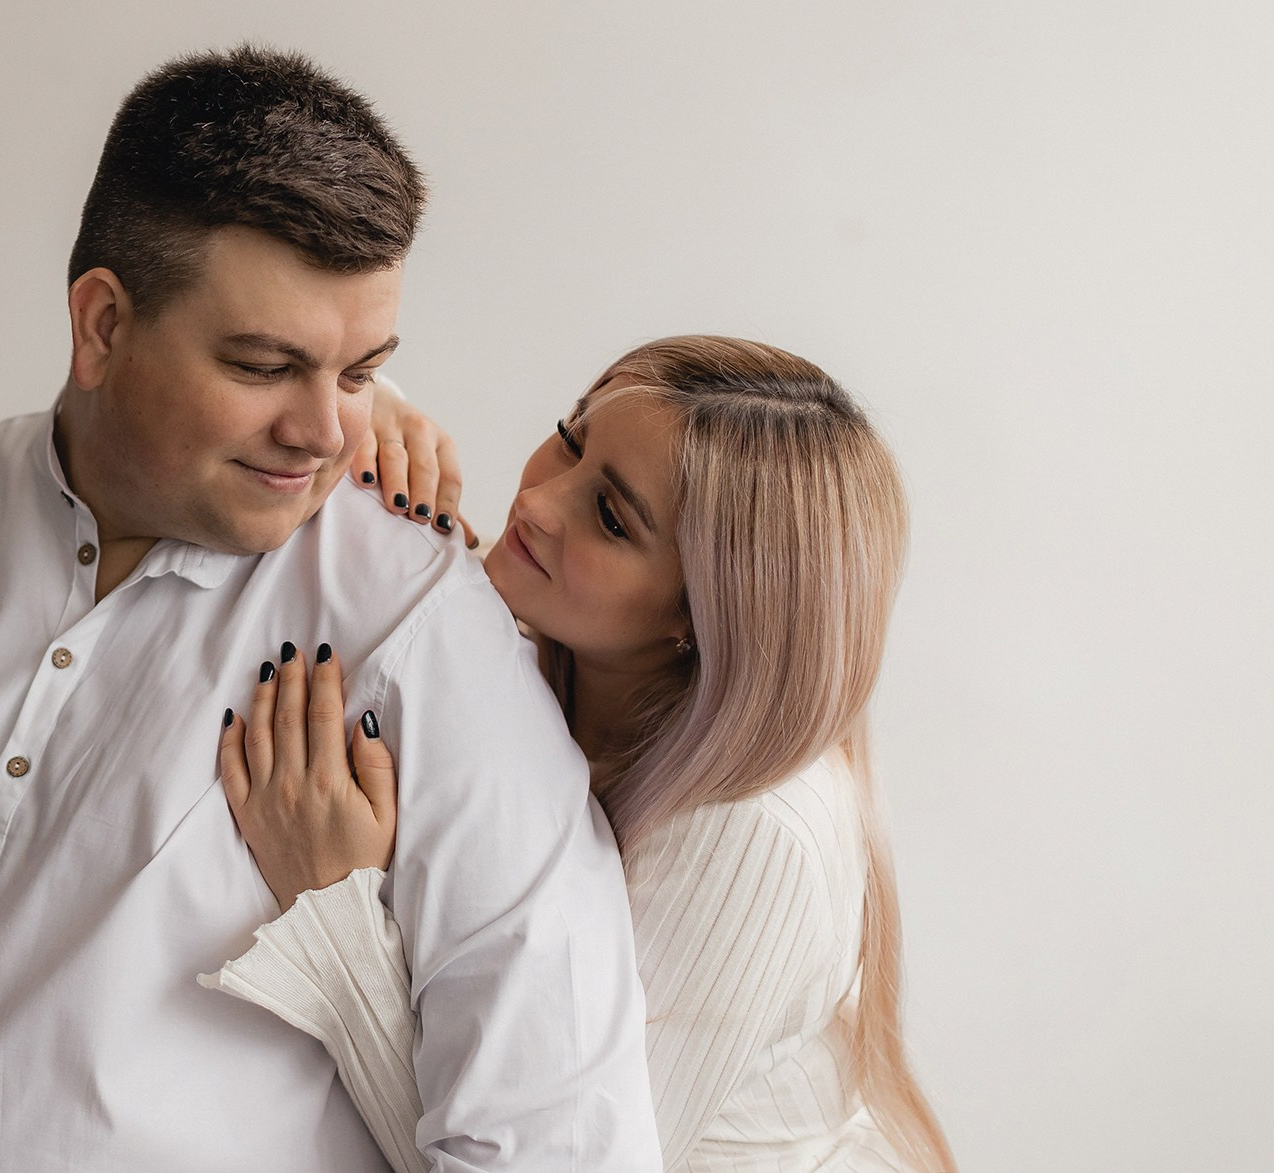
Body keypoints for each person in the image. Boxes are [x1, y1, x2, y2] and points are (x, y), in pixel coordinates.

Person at [0, 45, 662, 1171]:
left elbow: (553, 1136)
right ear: (102, 325)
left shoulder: (414, 624)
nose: (321, 432)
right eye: (265, 366)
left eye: (359, 373)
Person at [202, 336, 956, 1171]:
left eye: (610, 516)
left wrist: (333, 906)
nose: (539, 503)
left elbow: (545, 1156)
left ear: (704, 613)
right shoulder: (555, 654)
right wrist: (362, 407)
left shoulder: (752, 834)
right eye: (570, 437)